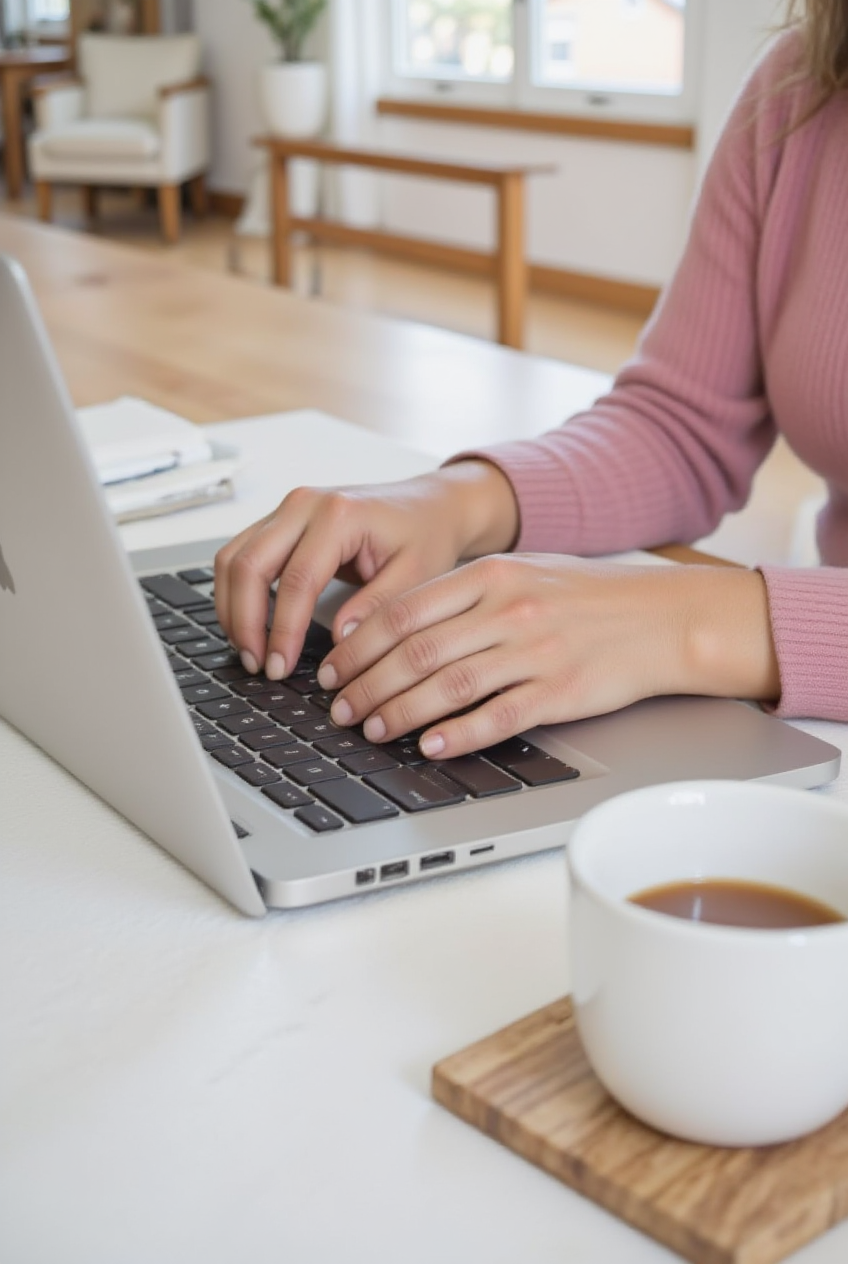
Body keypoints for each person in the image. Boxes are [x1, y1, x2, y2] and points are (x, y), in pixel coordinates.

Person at [215, 5, 848, 761]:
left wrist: (695, 623)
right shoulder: (802, 85)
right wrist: (459, 504)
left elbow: (696, 613)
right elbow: (682, 430)